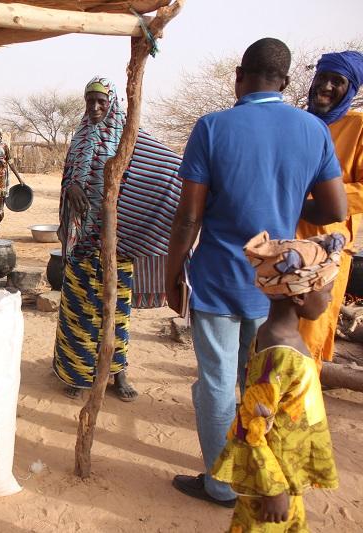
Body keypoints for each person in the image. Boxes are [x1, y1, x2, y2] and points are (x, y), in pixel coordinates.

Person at [166, 37, 346, 507]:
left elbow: (189, 216)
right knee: (259, 378)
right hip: (274, 283)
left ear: (239, 77)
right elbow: (334, 207)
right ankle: (256, 475)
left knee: (217, 382)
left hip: (219, 276)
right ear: (286, 82)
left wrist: (170, 272)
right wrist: (283, 198)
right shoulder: (313, 129)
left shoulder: (212, 127)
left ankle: (221, 484)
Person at [53, 75, 184, 402]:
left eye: (101, 101)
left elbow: (168, 167)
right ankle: (79, 374)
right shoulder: (80, 137)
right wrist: (71, 187)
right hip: (81, 242)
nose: (95, 107)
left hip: (116, 242)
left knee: (115, 311)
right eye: (90, 101)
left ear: (111, 103)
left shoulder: (129, 136)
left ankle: (117, 372)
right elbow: (68, 178)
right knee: (80, 311)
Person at [212, 231, 341, 531]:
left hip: (287, 474)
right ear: (300, 295)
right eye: (327, 290)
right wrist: (272, 489)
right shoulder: (281, 354)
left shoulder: (275, 335)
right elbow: (250, 427)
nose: (331, 298)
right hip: (273, 483)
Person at [296, 51, 363, 366]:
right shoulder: (297, 123)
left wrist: (317, 200)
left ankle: (292, 410)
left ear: (351, 89)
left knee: (310, 333)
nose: (324, 87)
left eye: (337, 81)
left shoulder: (358, 127)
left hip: (326, 248)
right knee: (268, 330)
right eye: (321, 78)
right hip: (280, 242)